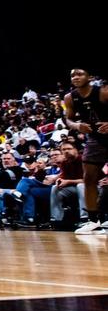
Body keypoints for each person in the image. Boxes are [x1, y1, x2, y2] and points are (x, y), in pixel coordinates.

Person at [63, 68, 108, 234]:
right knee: (89, 178)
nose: (75, 77)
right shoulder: (70, 97)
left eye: (80, 74)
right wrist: (77, 126)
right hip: (95, 139)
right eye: (72, 75)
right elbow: (68, 118)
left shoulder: (103, 92)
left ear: (89, 77)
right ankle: (93, 220)